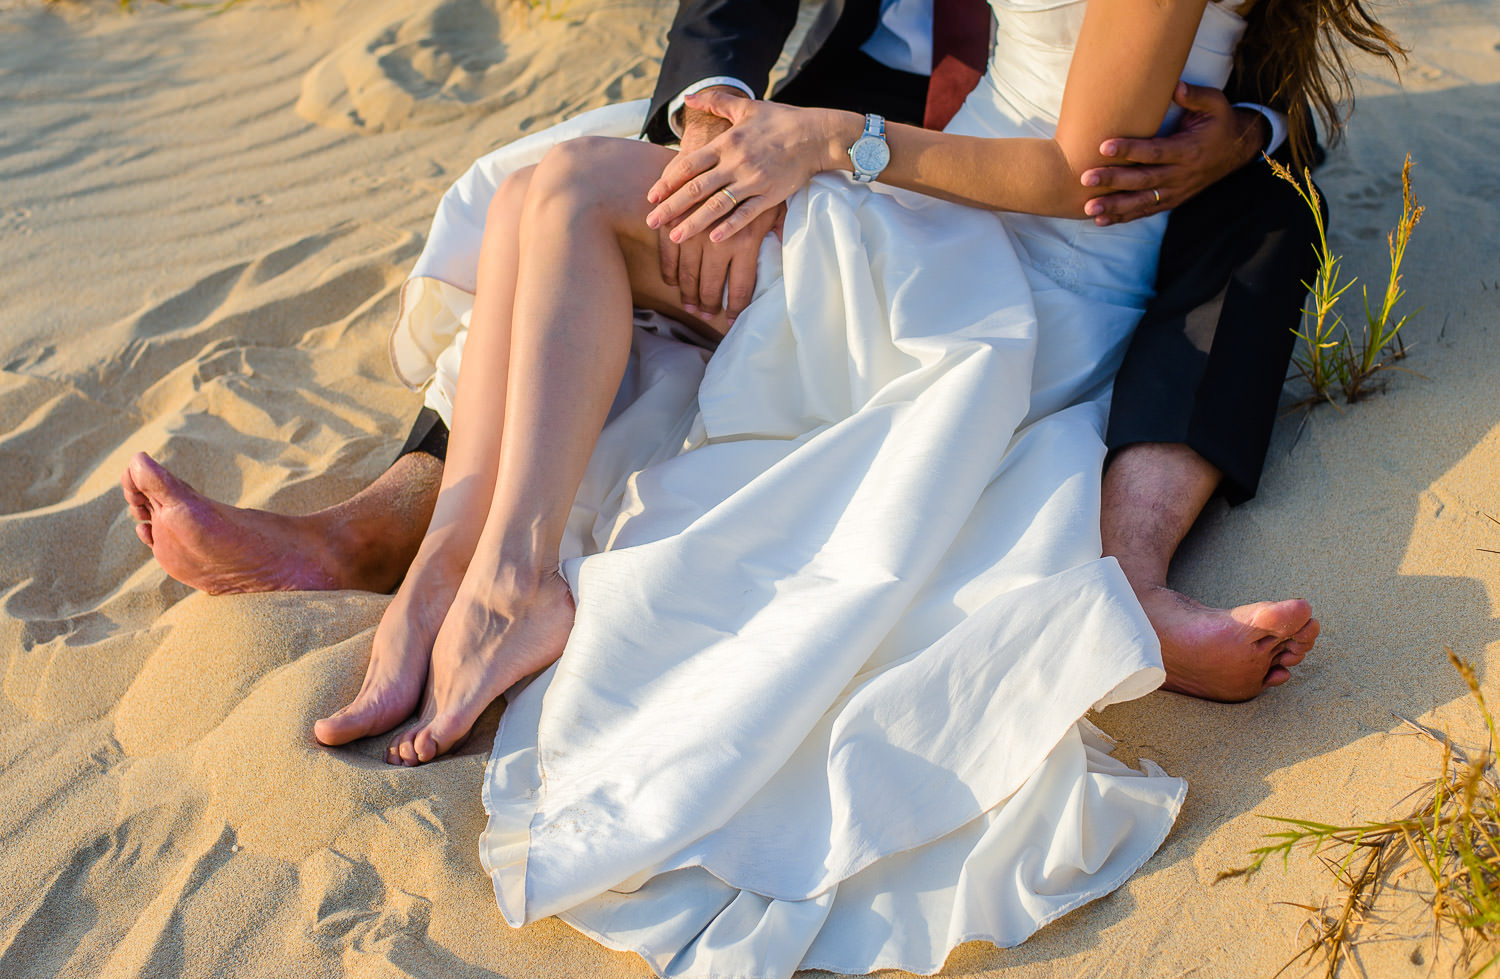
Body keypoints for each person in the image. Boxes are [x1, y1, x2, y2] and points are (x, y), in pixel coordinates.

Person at [121, 0, 1403, 979]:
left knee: (567, 195)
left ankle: (502, 578)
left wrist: (835, 145)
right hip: (936, 186)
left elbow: (1086, 168)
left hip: (1023, 261)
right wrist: (774, 129)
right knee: (539, 191)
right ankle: (458, 559)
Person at [124, 0, 1328, 704]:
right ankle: (417, 533)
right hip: (907, 160)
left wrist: (1250, 133)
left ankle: (467, 566)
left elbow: (1147, 133)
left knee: (577, 200)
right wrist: (725, 126)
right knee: (554, 187)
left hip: (1013, 223)